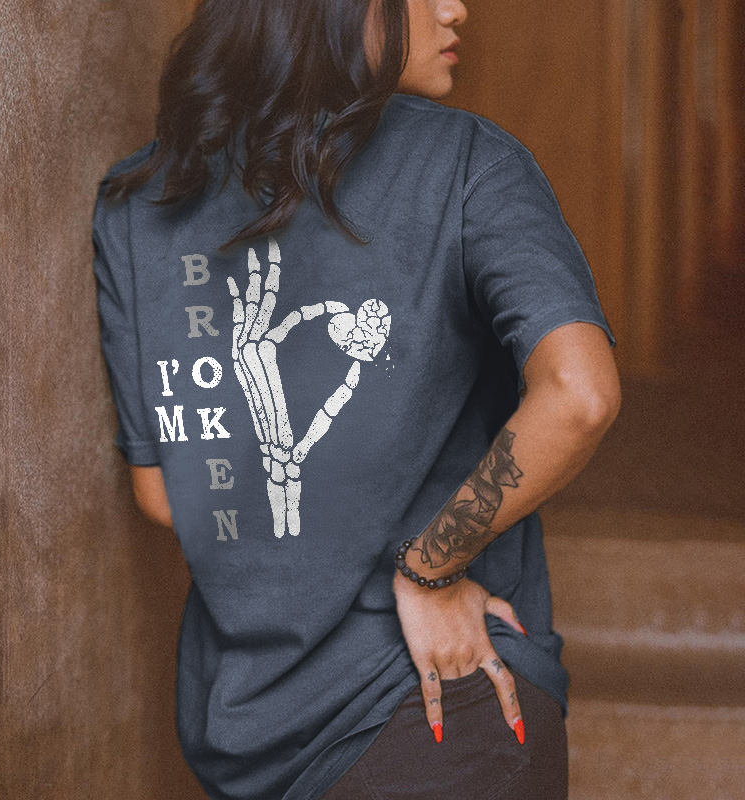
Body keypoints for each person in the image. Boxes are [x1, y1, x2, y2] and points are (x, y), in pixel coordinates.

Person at [90, 0, 621, 798]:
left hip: (246, 725)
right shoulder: (468, 162)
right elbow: (579, 393)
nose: (456, 8)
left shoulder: (140, 201)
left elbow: (164, 493)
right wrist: (430, 566)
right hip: (440, 713)